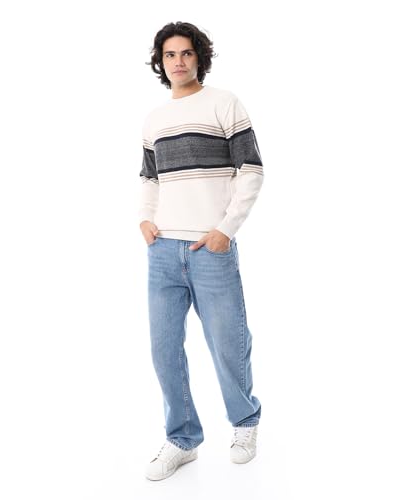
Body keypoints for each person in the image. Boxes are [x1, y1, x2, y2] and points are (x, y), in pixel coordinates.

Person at [139, 21, 264, 481]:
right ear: (161, 61)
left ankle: (245, 422)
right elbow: (149, 177)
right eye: (170, 54)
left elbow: (251, 170)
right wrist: (145, 220)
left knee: (229, 343)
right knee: (164, 350)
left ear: (199, 57)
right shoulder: (154, 119)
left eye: (186, 53)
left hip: (211, 248)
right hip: (163, 250)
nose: (178, 61)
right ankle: (182, 439)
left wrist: (225, 230)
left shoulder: (224, 103)